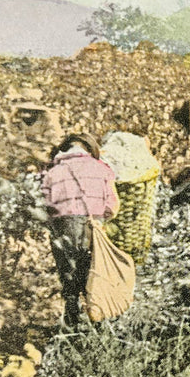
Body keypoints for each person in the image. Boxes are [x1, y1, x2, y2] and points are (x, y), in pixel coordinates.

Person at [42, 133, 120, 326]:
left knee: (69, 277)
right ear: (89, 149)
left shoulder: (52, 172)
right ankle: (98, 324)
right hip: (92, 227)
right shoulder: (102, 169)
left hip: (63, 227)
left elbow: (43, 205)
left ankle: (72, 323)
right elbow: (113, 206)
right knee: (93, 275)